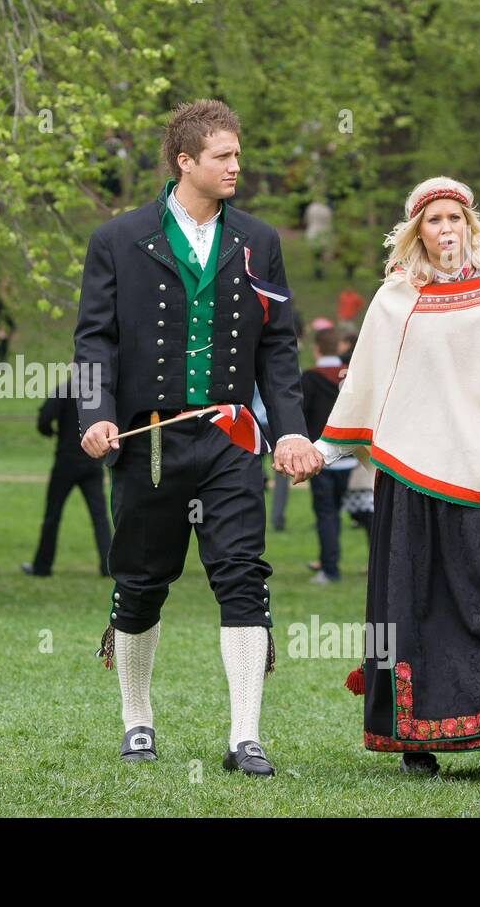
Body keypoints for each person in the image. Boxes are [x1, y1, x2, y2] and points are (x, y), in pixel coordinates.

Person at [74, 99, 322, 778]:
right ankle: (137, 720)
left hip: (231, 435)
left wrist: (293, 432)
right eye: (224, 156)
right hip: (149, 439)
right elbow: (94, 338)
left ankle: (246, 735)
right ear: (186, 162)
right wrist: (95, 411)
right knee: (141, 582)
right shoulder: (118, 239)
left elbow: (278, 346)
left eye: (237, 155)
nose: (236, 166)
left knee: (242, 575)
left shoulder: (258, 240)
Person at [318, 176, 480, 780]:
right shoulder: (394, 300)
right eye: (434, 220)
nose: (446, 229)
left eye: (455, 218)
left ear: (470, 225)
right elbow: (365, 383)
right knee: (413, 607)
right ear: (416, 231)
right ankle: (416, 738)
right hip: (411, 473)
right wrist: (323, 451)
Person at [22, 371, 112, 578]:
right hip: (92, 461)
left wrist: (51, 433)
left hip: (66, 460)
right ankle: (107, 565)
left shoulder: (66, 388)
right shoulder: (97, 393)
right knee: (99, 516)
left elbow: (44, 419)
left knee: (53, 514)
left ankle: (42, 566)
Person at [301, 327, 354, 584]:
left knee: (327, 514)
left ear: (317, 349)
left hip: (321, 457)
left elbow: (302, 413)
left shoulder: (310, 378)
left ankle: (329, 568)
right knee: (361, 514)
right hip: (352, 457)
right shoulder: (350, 375)